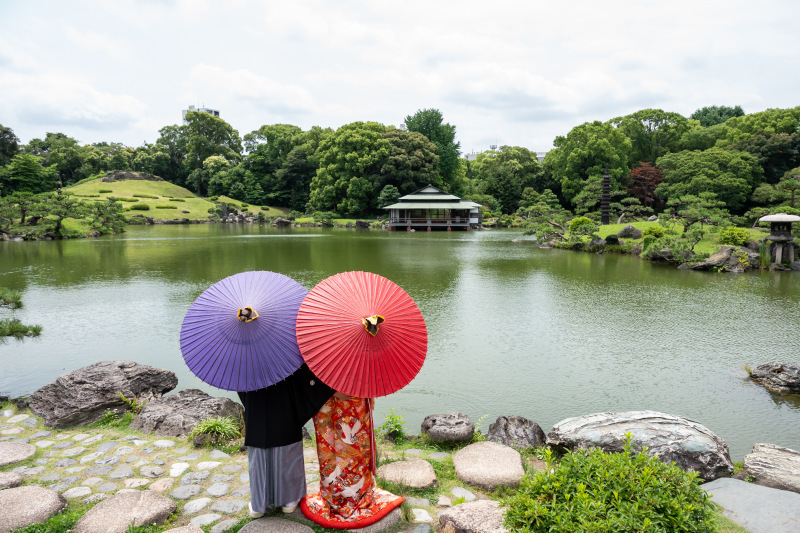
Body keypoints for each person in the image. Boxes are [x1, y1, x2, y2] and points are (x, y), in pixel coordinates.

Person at [238, 363, 334, 517]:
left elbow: (239, 386)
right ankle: (289, 500)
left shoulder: (242, 353)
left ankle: (259, 504)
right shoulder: (283, 344)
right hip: (284, 404)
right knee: (286, 433)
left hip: (255, 403)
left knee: (258, 447)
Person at [301, 392, 405, 529]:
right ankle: (333, 495)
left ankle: (358, 493)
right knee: (329, 453)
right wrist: (332, 390)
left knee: (357, 452)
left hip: (356, 398)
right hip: (327, 398)